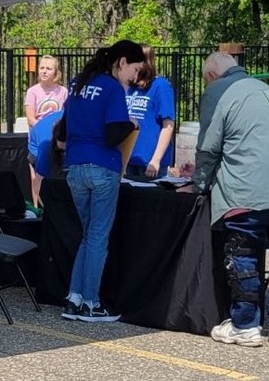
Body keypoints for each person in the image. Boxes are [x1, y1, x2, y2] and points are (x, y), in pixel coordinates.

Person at [194, 53, 269, 348]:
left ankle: (245, 324)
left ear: (211, 75)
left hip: (247, 189)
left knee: (243, 255)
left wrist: (199, 184)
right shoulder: (267, 90)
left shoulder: (218, 91)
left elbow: (209, 147)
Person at [54, 40, 145, 322]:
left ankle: (75, 298)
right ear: (121, 62)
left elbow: (63, 129)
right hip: (102, 167)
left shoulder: (77, 84)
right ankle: (91, 303)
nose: (135, 77)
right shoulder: (111, 87)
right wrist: (131, 123)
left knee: (87, 235)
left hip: (75, 167)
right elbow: (112, 134)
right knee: (97, 238)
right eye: (135, 69)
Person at [124, 45, 176, 182]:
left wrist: (156, 160)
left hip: (150, 163)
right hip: (129, 159)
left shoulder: (160, 86)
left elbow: (168, 125)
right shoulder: (129, 88)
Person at [25, 55, 68, 207]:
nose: (44, 71)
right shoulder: (33, 91)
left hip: (57, 140)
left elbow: (65, 116)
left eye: (48, 68)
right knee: (36, 176)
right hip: (39, 139)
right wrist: (47, 129)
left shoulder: (63, 92)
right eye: (42, 68)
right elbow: (31, 118)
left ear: (56, 73)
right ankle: (38, 207)